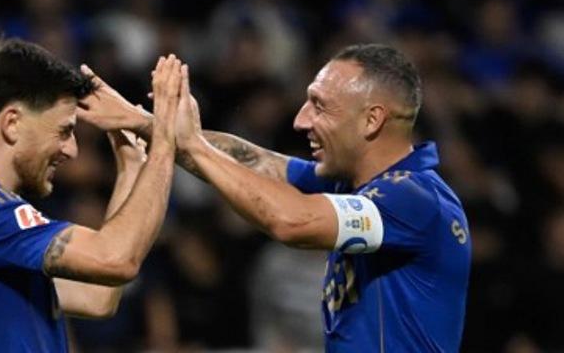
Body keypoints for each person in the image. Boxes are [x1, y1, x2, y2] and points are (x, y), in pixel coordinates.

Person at [79, 43, 471, 351]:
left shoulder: (413, 199)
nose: (300, 120)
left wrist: (189, 145)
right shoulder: (354, 185)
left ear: (372, 120)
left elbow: (292, 221)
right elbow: (260, 165)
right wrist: (144, 122)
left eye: (320, 106)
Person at [0, 39, 183, 352]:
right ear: (12, 123)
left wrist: (131, 166)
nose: (72, 149)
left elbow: (97, 296)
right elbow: (116, 260)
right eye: (63, 131)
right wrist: (165, 141)